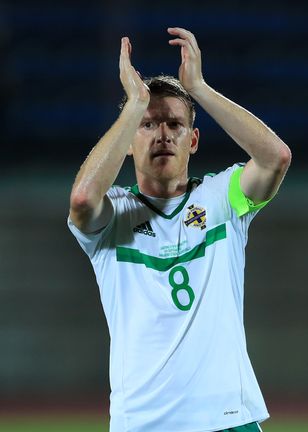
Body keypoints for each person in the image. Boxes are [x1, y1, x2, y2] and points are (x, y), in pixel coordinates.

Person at [67, 27, 291, 432]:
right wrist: (133, 105)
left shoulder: (223, 199)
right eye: (148, 125)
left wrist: (200, 89)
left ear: (193, 140)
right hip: (145, 423)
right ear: (129, 141)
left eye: (175, 124)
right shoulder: (113, 215)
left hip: (228, 418)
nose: (163, 134)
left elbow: (276, 158)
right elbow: (82, 200)